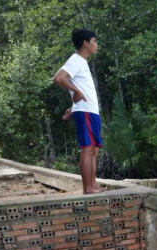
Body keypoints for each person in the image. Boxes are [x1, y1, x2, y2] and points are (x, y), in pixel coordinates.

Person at [52, 28, 105, 194]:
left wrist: (73, 103)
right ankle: (88, 188)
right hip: (86, 111)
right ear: (85, 43)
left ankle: (93, 185)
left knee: (94, 149)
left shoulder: (83, 62)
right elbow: (58, 78)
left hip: (89, 110)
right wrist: (77, 92)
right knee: (87, 148)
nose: (97, 45)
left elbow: (78, 87)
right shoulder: (75, 60)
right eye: (95, 41)